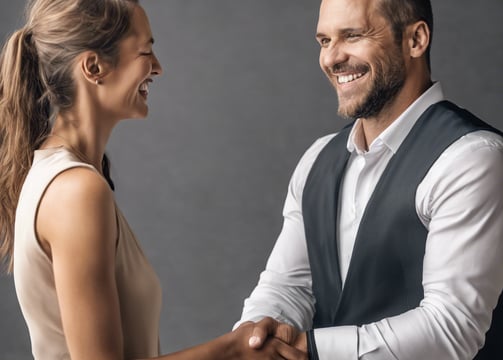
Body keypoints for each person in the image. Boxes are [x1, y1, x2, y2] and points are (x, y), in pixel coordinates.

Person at [0, 1, 308, 359]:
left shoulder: (62, 176)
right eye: (145, 51)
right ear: (94, 67)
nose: (158, 68)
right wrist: (234, 349)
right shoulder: (75, 191)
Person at [236, 0, 503, 359]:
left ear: (416, 39)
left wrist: (306, 348)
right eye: (324, 41)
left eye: (353, 35)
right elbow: (288, 285)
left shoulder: (473, 158)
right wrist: (256, 335)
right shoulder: (317, 159)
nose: (332, 58)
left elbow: (451, 328)